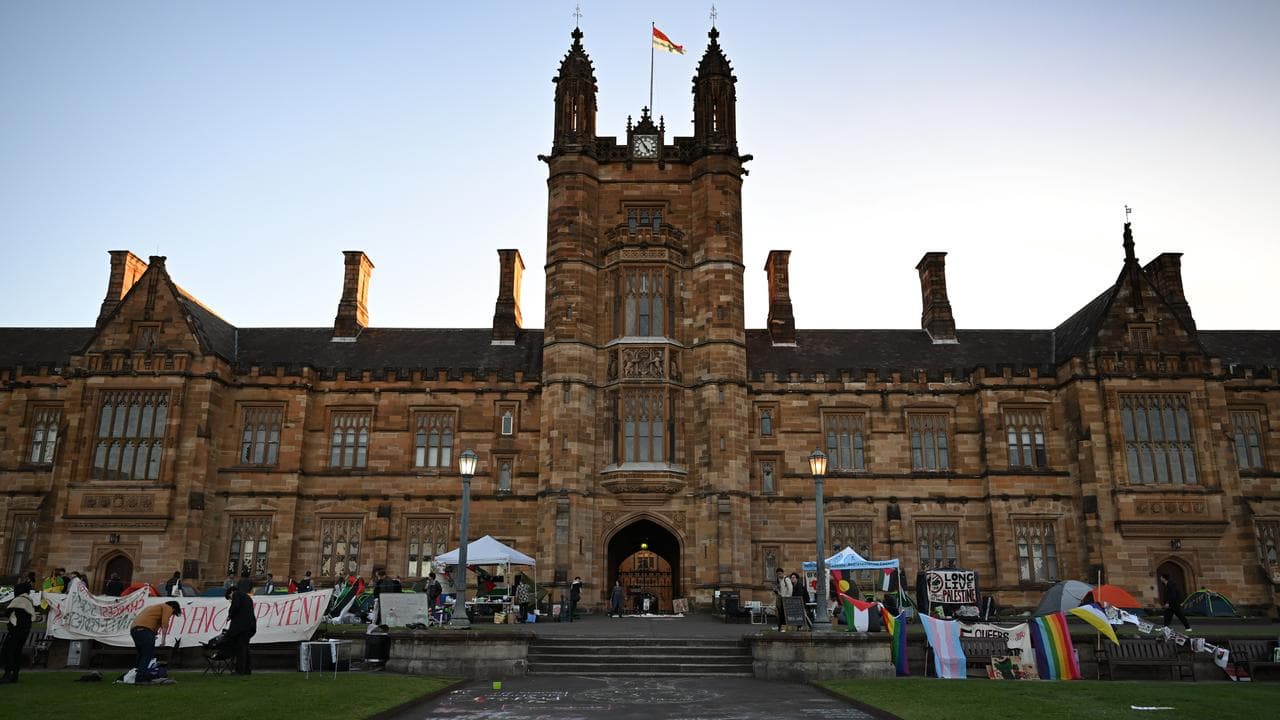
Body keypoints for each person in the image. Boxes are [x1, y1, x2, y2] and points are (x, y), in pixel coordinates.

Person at [130, 600, 182, 684]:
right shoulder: (167, 607)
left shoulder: (153, 607)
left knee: (141, 655)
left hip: (135, 630)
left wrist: (153, 635)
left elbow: (155, 624)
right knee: (147, 655)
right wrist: (163, 640)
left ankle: (133, 675)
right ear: (173, 607)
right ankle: (140, 679)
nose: (171, 615)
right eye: (173, 613)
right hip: (144, 630)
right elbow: (165, 623)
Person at [0, 582, 36, 684]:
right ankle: (14, 675)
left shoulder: (19, 600)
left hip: (16, 631)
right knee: (16, 653)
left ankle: (8, 674)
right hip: (24, 631)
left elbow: (8, 612)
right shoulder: (29, 600)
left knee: (9, 652)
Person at [224, 586, 256, 675]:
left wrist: (230, 615)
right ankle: (247, 670)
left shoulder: (237, 594)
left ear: (231, 592)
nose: (231, 600)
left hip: (241, 627)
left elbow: (235, 606)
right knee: (245, 648)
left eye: (230, 598)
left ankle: (239, 671)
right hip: (249, 626)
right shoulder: (247, 597)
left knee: (240, 648)